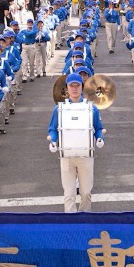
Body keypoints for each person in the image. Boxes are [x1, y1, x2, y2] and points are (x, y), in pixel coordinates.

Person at [48, 73, 105, 212]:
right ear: (67, 87)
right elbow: (53, 129)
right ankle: (71, 224)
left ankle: (84, 220)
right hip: (66, 156)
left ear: (82, 87)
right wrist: (53, 141)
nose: (74, 88)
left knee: (86, 193)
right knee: (69, 194)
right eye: (71, 86)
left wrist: (100, 138)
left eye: (77, 85)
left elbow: (98, 128)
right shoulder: (59, 109)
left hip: (85, 155)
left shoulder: (91, 108)